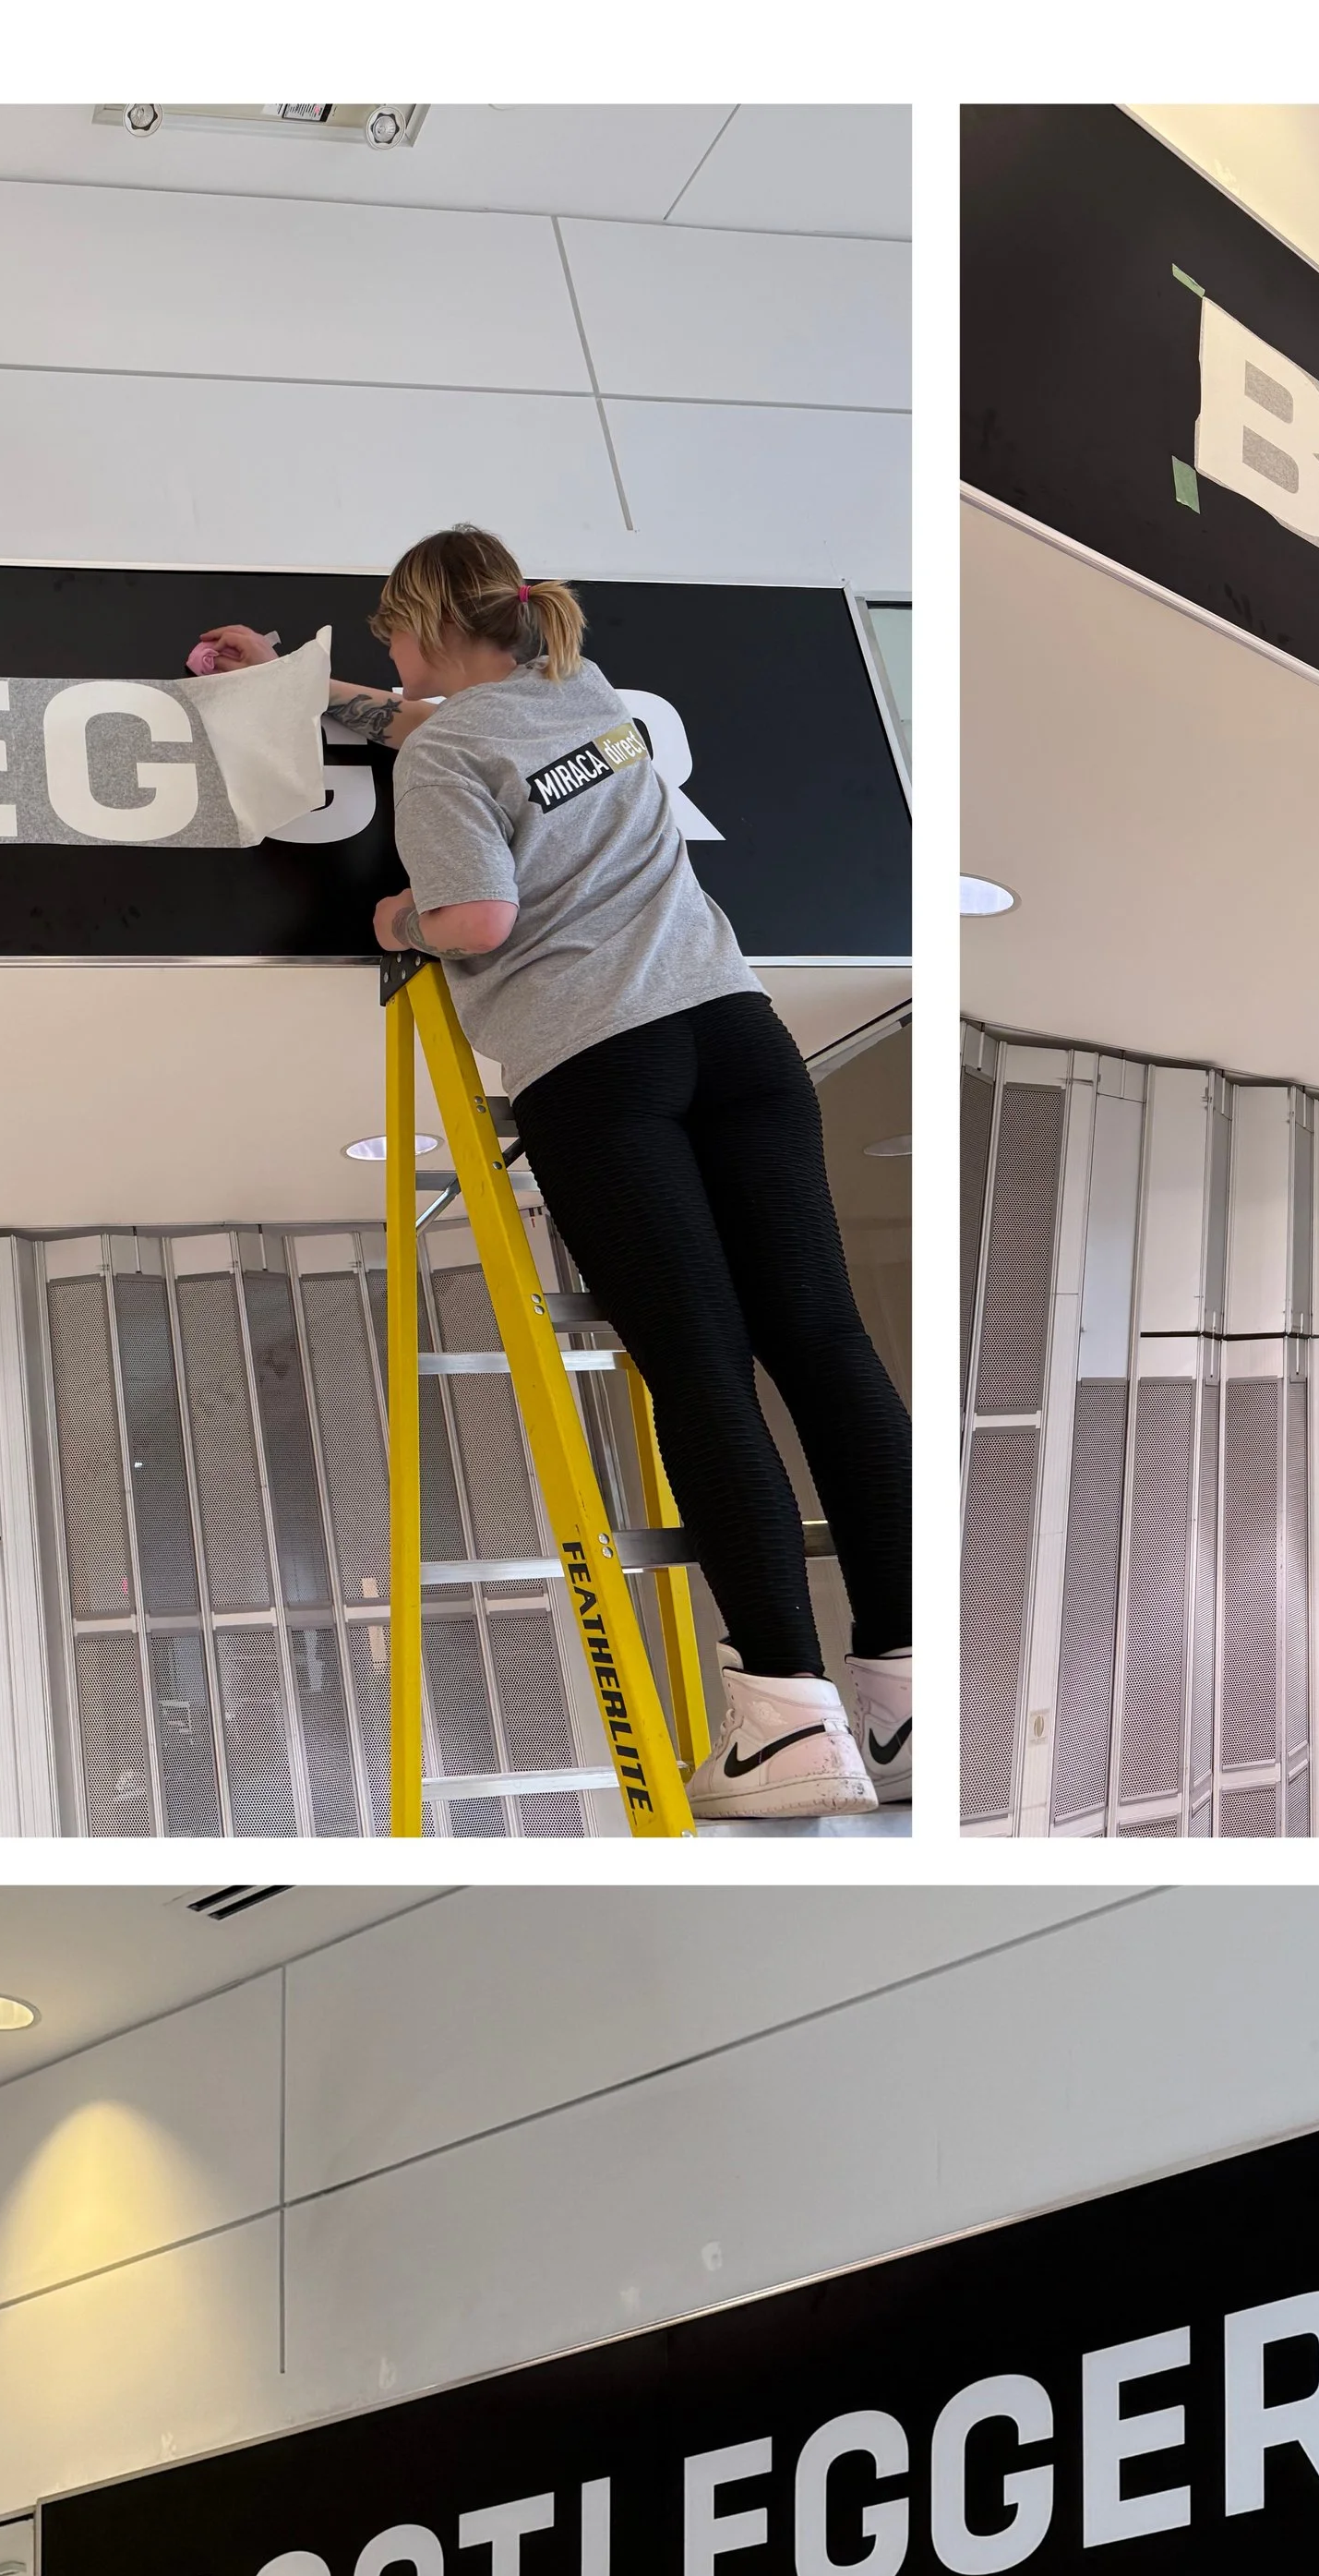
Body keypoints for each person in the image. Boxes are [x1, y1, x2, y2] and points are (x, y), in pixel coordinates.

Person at [196, 526, 912, 1823]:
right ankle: (904, 1698)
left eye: (388, 633)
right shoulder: (583, 692)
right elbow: (430, 718)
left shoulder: (451, 755)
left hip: (599, 1064)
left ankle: (787, 1722)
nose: (387, 658)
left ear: (425, 623)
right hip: (736, 1032)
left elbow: (477, 917)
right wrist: (298, 687)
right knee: (824, 1345)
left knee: (701, 1369)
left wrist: (396, 918)